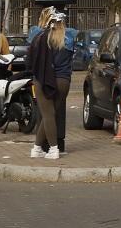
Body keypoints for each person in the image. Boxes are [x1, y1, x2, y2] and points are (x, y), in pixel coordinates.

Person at [29, 11, 72, 160]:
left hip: (44, 79)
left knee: (47, 114)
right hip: (64, 81)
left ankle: (53, 149)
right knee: (51, 114)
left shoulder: (43, 37)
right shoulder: (69, 38)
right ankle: (37, 148)